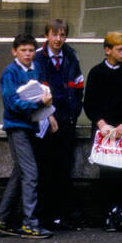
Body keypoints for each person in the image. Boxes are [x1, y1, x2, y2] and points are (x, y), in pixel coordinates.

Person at [0, 33, 55, 240]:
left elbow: (36, 95)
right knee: (31, 174)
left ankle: (1, 221)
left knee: (20, 174)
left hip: (30, 126)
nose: (28, 54)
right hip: (17, 127)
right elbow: (12, 103)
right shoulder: (10, 72)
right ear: (14, 51)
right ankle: (29, 224)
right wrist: (39, 105)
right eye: (23, 50)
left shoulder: (34, 70)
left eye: (30, 51)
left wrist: (48, 113)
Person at [32, 18, 84, 230]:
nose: (58, 39)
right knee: (45, 169)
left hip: (66, 121)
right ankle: (44, 217)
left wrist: (72, 115)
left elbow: (78, 86)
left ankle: (62, 216)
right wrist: (47, 114)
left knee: (64, 169)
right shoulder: (37, 58)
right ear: (47, 35)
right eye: (54, 34)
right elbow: (34, 89)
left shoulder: (71, 56)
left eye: (62, 35)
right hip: (45, 122)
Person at [82, 32, 122, 231]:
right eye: (120, 49)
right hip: (102, 130)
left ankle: (119, 210)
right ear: (108, 50)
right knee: (105, 171)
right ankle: (109, 212)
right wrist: (101, 124)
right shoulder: (96, 73)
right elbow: (89, 102)